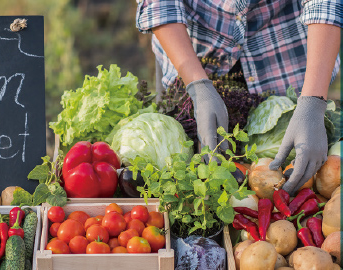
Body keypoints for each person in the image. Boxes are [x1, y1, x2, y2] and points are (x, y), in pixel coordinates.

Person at [135, 0, 342, 195]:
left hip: (283, 55)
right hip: (191, 49)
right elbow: (160, 4)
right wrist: (197, 86)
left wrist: (313, 102)